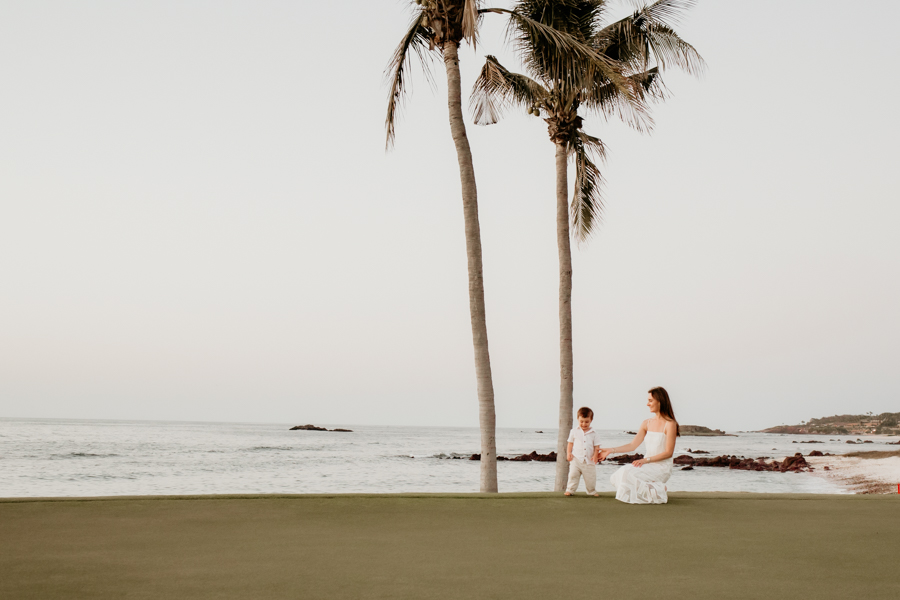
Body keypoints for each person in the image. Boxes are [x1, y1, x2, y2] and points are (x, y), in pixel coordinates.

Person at [599, 387, 679, 504]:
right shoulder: (646, 423)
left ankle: (658, 489)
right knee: (616, 476)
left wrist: (645, 460)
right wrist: (610, 450)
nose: (647, 404)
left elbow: (668, 453)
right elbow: (632, 445)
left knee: (626, 473)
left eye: (650, 401)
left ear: (660, 401)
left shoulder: (670, 424)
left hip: (661, 467)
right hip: (647, 465)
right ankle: (655, 488)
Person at [564, 406, 602, 497]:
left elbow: (597, 446)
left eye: (586, 422)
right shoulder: (574, 431)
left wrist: (595, 455)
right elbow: (570, 443)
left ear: (591, 420)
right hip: (576, 459)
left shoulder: (594, 433)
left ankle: (591, 491)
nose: (584, 424)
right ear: (578, 419)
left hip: (589, 460)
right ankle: (570, 490)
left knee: (590, 478)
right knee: (573, 475)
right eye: (581, 421)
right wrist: (568, 453)